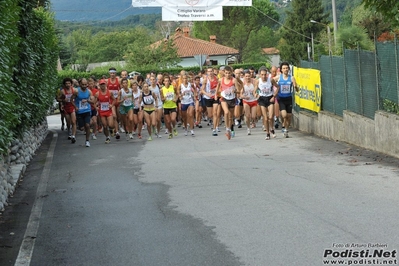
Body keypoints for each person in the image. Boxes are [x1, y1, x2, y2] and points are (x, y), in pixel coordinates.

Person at [215, 65, 242, 140]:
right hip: (224, 98)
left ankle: (231, 129)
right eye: (226, 73)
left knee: (231, 117)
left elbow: (238, 90)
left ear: (231, 73)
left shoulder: (234, 80)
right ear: (224, 73)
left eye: (229, 73)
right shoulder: (221, 80)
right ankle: (227, 128)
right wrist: (216, 94)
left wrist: (235, 91)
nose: (227, 75)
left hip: (232, 99)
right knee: (226, 112)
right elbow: (217, 87)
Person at [274, 62, 299, 138]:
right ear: (281, 70)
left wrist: (295, 87)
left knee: (289, 116)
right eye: (284, 68)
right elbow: (271, 81)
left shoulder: (291, 78)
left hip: (289, 98)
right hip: (281, 98)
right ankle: (284, 126)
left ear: (289, 69)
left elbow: (297, 89)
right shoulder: (278, 77)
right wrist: (276, 87)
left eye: (287, 68)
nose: (285, 69)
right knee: (284, 115)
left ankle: (286, 129)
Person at [255, 67, 279, 140]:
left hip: (270, 98)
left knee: (271, 116)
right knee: (265, 118)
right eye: (262, 75)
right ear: (259, 75)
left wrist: (274, 96)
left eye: (265, 74)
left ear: (267, 74)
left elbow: (278, 87)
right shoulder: (258, 81)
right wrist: (256, 94)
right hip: (262, 99)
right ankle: (268, 133)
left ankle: (272, 129)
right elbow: (255, 90)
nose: (263, 76)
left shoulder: (271, 80)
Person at [71, 78, 94, 147]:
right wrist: (75, 107)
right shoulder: (76, 91)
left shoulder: (89, 92)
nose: (84, 86)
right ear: (80, 84)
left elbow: (93, 102)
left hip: (87, 110)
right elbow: (71, 100)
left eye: (85, 84)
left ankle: (87, 141)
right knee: (81, 128)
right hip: (79, 112)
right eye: (82, 84)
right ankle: (80, 126)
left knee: (87, 125)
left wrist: (87, 100)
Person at [95, 79, 116, 144]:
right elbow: (94, 102)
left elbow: (114, 100)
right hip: (102, 111)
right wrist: (96, 107)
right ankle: (107, 137)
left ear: (105, 85)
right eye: (101, 85)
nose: (103, 86)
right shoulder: (97, 94)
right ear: (99, 86)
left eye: (103, 84)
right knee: (104, 125)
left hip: (108, 111)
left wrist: (112, 105)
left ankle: (112, 130)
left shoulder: (109, 92)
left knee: (110, 125)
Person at [201, 66, 220, 136]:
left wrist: (216, 93)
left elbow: (219, 87)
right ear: (207, 72)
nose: (210, 73)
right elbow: (202, 90)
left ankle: (215, 129)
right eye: (209, 71)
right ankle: (212, 121)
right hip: (208, 97)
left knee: (215, 113)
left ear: (213, 71)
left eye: (211, 71)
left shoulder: (217, 79)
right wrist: (207, 94)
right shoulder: (205, 80)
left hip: (215, 97)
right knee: (210, 115)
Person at [57, 77, 77, 143]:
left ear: (71, 84)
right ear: (64, 84)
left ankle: (73, 136)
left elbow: (78, 97)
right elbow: (57, 99)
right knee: (68, 122)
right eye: (66, 83)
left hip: (72, 107)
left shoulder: (74, 90)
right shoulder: (62, 91)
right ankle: (69, 131)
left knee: (73, 121)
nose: (68, 84)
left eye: (69, 83)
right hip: (66, 107)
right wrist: (63, 100)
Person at [160, 75, 179, 139]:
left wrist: (176, 99)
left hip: (173, 105)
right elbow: (161, 99)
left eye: (168, 81)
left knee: (173, 119)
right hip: (166, 106)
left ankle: (174, 128)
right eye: (165, 81)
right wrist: (164, 99)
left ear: (169, 82)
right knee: (168, 121)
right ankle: (170, 133)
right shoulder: (162, 89)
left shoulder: (173, 87)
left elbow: (177, 94)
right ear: (163, 82)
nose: (167, 82)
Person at [241, 70, 258, 135]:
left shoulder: (254, 82)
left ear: (251, 76)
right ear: (244, 77)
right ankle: (248, 128)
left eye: (249, 76)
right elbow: (240, 94)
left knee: (253, 116)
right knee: (248, 116)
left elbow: (257, 90)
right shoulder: (243, 83)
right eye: (246, 76)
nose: (248, 77)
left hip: (253, 100)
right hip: (246, 101)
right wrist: (244, 97)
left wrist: (256, 94)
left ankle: (252, 122)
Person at [107, 67, 121, 139]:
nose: (112, 74)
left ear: (115, 73)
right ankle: (117, 132)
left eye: (113, 73)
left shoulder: (118, 81)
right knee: (114, 116)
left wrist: (119, 97)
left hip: (117, 101)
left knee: (118, 117)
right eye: (111, 73)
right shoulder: (107, 81)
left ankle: (116, 127)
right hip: (111, 101)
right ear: (109, 73)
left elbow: (121, 91)